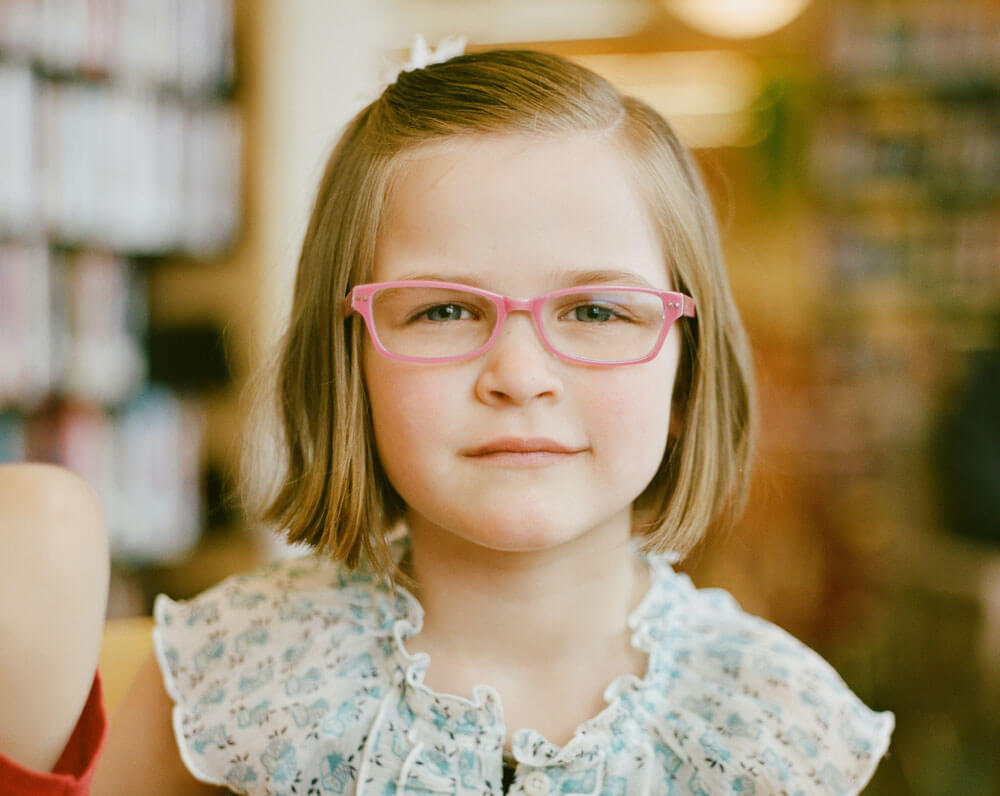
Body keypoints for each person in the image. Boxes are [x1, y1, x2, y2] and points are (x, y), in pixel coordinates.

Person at [0, 47, 894, 795]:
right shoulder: (234, 681)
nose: (519, 375)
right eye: (443, 312)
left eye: (595, 312)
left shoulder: (775, 726)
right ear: (347, 361)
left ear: (686, 365)